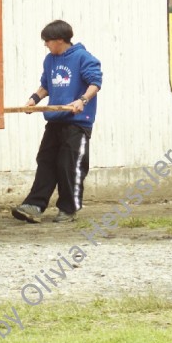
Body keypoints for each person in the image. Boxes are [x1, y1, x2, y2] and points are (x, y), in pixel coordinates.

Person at [12, 21, 104, 223]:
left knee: (69, 165)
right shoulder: (50, 60)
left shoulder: (83, 58)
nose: (45, 44)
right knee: (45, 160)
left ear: (60, 40)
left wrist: (82, 100)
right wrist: (33, 100)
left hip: (77, 122)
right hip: (55, 120)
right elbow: (46, 85)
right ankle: (34, 205)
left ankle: (68, 208)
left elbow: (95, 83)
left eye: (48, 41)